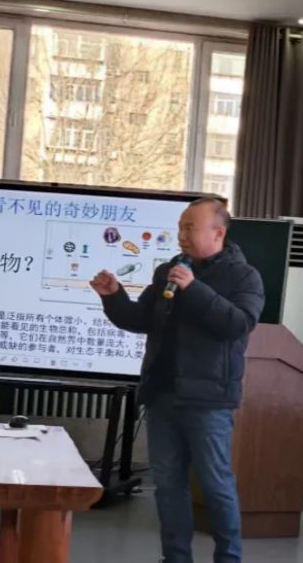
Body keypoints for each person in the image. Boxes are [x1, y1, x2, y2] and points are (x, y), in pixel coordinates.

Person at [90, 197, 264, 563]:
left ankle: (229, 558)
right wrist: (114, 297)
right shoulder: (169, 271)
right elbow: (141, 320)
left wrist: (194, 288)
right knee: (168, 486)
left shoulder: (243, 276)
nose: (182, 234)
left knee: (216, 484)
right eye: (181, 227)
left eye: (190, 227)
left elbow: (237, 325)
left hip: (208, 400)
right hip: (162, 394)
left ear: (218, 233)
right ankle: (175, 558)